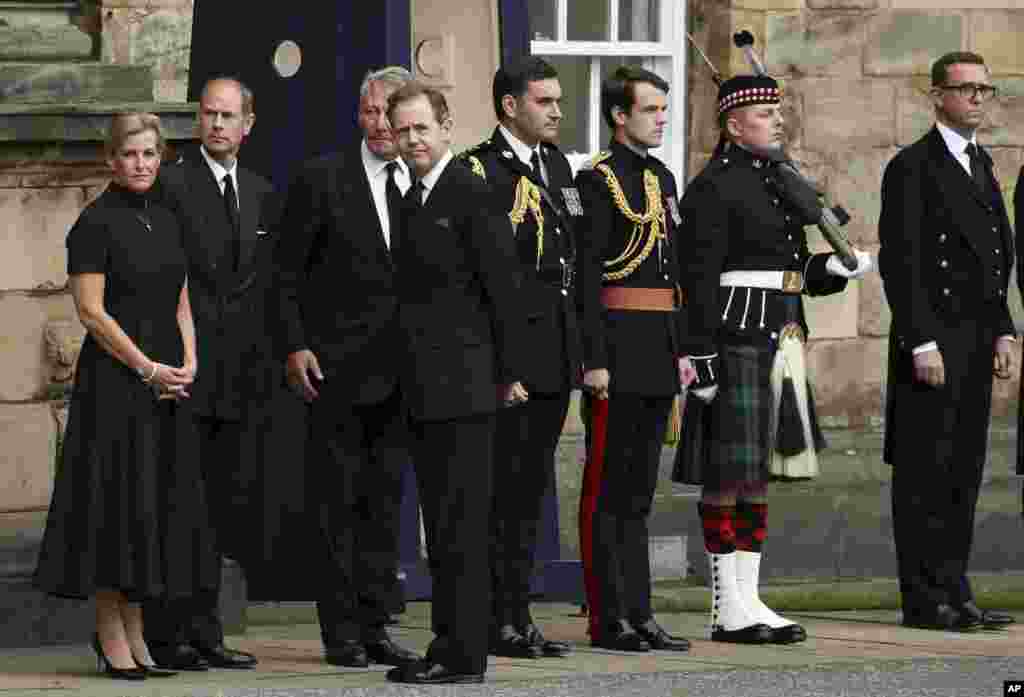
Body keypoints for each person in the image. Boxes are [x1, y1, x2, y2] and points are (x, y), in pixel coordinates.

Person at [676, 74, 872, 644]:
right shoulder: (715, 186)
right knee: (728, 474)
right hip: (734, 334)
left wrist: (833, 269)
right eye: (764, 113)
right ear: (734, 126)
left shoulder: (778, 183)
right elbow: (698, 279)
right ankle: (725, 607)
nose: (776, 120)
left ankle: (750, 599)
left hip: (782, 335)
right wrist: (701, 357)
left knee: (757, 474)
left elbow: (789, 272)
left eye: (777, 111)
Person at [33, 112, 217, 680]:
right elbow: (92, 312)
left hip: (166, 381)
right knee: (115, 506)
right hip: (117, 384)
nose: (140, 164)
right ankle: (110, 631)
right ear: (110, 159)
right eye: (130, 155)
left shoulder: (167, 216)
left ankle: (137, 631)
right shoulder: (94, 223)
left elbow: (182, 298)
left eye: (149, 155)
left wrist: (187, 361)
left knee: (151, 505)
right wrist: (148, 368)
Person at [275, 66, 419, 669]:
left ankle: (376, 621)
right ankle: (340, 631)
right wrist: (295, 345)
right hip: (334, 370)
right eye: (368, 111)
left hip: (407, 373)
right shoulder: (322, 179)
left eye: (388, 111)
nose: (378, 123)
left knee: (385, 504)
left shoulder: (431, 179)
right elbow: (284, 274)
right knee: (336, 503)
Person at [384, 82, 526, 684]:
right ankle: (448, 645)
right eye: (403, 131)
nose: (413, 140)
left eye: (423, 128)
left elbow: (504, 288)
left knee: (463, 528)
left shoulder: (471, 189)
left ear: (446, 128)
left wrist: (510, 373)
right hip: (425, 389)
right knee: (442, 527)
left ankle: (464, 654)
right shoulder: (412, 197)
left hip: (467, 389)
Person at [139, 77, 273, 671]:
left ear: (248, 123)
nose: (216, 124)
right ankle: (167, 636)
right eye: (208, 114)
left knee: (221, 509)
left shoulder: (262, 192)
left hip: (239, 378)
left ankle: (207, 630)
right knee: (178, 507)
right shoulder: (169, 184)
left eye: (228, 115)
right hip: (182, 370)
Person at [879, 51, 1016, 631]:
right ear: (937, 95)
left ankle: (955, 590)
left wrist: (1006, 328)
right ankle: (924, 597)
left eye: (985, 89)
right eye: (965, 90)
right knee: (923, 471)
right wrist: (919, 340)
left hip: (976, 336)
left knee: (963, 467)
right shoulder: (913, 166)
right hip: (931, 339)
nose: (977, 99)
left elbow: (994, 257)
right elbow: (901, 262)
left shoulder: (981, 163)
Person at [459, 56, 580, 659]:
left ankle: (518, 614)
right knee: (499, 494)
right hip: (511, 355)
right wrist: (503, 366)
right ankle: (489, 618)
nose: (557, 110)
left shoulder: (556, 164)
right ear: (510, 106)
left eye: (558, 100)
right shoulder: (478, 169)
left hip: (554, 350)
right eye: (544, 100)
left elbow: (572, 265)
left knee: (530, 493)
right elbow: (484, 278)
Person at [574, 66, 690, 653]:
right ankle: (608, 615)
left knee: (640, 493)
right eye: (651, 109)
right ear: (620, 116)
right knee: (607, 490)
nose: (661, 118)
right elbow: (589, 276)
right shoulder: (595, 180)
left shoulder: (662, 177)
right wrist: (593, 358)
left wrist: (683, 350)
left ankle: (640, 612)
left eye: (664, 109)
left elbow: (675, 274)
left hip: (656, 350)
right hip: (616, 348)